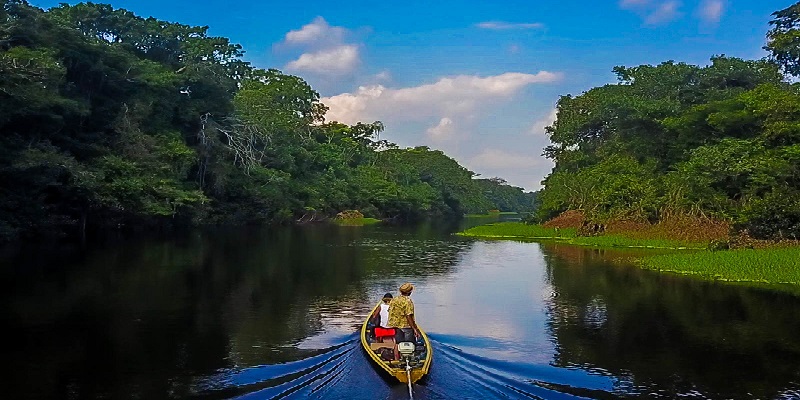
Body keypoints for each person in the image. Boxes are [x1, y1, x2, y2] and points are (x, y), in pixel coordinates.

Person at [388, 282, 420, 359]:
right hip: (406, 326)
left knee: (399, 343)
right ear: (409, 292)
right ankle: (410, 360)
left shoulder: (394, 300)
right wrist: (414, 329)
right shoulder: (408, 301)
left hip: (396, 326)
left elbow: (390, 311)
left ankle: (398, 358)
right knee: (409, 345)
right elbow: (408, 316)